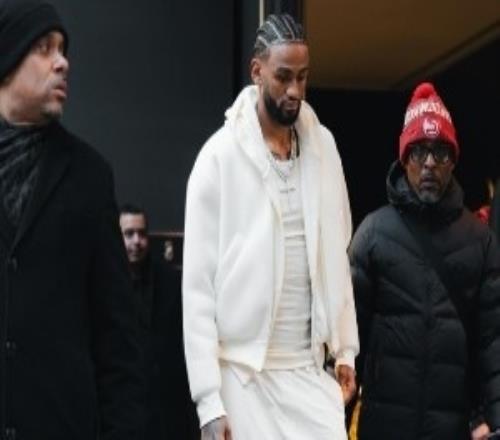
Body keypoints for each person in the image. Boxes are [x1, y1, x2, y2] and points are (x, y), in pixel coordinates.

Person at [183, 13, 358, 440]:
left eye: (303, 77)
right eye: (283, 77)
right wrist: (208, 401)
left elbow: (339, 250)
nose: (294, 90)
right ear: (257, 71)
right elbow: (198, 289)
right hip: (242, 376)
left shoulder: (324, 147)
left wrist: (345, 348)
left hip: (308, 371)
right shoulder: (218, 157)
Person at [0, 1, 144, 439]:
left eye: (63, 50)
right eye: (44, 48)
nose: (62, 62)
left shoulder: (89, 176)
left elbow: (117, 337)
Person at [349, 82, 500, 440]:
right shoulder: (373, 234)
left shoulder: (480, 242)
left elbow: (493, 343)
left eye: (441, 152)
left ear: (454, 161)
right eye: (419, 152)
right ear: (404, 160)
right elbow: (347, 343)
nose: (430, 163)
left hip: (451, 429)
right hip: (383, 429)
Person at [119, 204, 199, 439]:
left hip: (167, 404)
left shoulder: (171, 281)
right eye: (129, 234)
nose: (137, 241)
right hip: (125, 404)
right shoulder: (106, 285)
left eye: (142, 233)